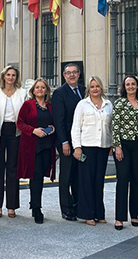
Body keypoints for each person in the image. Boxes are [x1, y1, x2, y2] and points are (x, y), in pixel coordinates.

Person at [111, 75, 138, 230]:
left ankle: (134, 214)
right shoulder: (119, 103)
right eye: (127, 84)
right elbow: (115, 126)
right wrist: (117, 146)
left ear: (137, 86)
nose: (130, 87)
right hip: (123, 145)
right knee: (122, 179)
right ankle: (119, 217)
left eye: (133, 84)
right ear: (124, 87)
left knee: (136, 180)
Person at [72, 76, 113, 226]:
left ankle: (99, 213)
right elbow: (76, 127)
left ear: (101, 88)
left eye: (97, 86)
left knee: (99, 181)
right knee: (86, 181)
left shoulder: (108, 104)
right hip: (87, 147)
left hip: (103, 147)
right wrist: (77, 147)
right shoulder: (82, 104)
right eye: (92, 87)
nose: (95, 89)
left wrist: (111, 145)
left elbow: (111, 127)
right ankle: (87, 214)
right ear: (88, 89)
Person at [0, 65, 26, 219]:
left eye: (13, 75)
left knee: (13, 168)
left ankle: (12, 206)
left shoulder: (22, 93)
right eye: (8, 75)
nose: (11, 77)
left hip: (15, 131)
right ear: (3, 76)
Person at [16, 78, 56, 224]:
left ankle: (35, 203)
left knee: (40, 176)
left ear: (46, 91)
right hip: (32, 146)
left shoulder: (50, 106)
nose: (40, 90)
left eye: (43, 87)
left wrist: (52, 128)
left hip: (47, 145)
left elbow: (54, 122)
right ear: (33, 90)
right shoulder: (28, 105)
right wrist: (33, 130)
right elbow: (20, 123)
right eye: (37, 87)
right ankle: (36, 207)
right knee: (36, 176)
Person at [52, 63, 85, 221]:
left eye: (74, 72)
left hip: (82, 140)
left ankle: (78, 205)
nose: (72, 75)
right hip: (66, 141)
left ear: (79, 74)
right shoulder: (59, 93)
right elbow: (59, 120)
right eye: (68, 73)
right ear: (64, 76)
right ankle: (66, 208)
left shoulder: (84, 91)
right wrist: (64, 142)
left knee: (78, 175)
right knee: (66, 175)